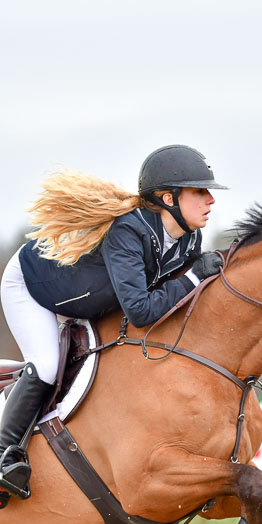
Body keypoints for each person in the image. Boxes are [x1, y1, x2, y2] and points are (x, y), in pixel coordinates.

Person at [0, 144, 227, 499]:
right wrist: (194, 277)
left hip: (89, 300)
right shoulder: (128, 231)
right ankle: (3, 455)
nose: (211, 199)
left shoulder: (188, 239)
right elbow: (140, 310)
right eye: (200, 191)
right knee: (45, 366)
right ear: (168, 198)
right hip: (32, 287)